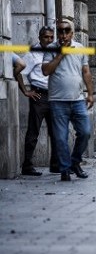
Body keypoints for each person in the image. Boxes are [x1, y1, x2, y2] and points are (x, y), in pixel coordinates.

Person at [42, 19, 94, 181]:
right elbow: (45, 71)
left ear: (72, 33)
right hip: (57, 101)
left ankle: (75, 162)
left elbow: (86, 71)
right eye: (61, 32)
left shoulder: (80, 49)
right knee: (60, 138)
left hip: (78, 99)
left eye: (66, 31)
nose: (63, 35)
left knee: (85, 132)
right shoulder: (51, 49)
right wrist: (60, 55)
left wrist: (90, 94)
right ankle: (65, 170)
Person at [14, 26, 58, 176]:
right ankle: (27, 166)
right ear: (40, 37)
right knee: (33, 132)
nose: (49, 40)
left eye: (52, 37)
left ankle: (55, 164)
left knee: (56, 132)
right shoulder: (33, 54)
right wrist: (26, 91)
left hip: (54, 96)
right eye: (46, 37)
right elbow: (18, 70)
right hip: (39, 97)